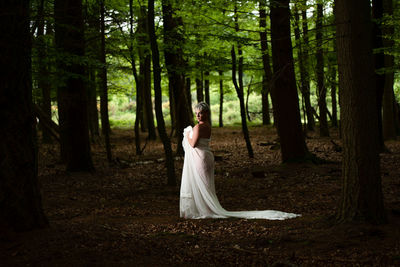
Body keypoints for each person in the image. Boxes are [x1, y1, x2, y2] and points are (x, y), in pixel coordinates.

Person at [180, 102, 300, 220]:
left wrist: (187, 135)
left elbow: (194, 144)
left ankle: (206, 209)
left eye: (200, 113)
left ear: (206, 113)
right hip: (206, 156)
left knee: (203, 184)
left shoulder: (199, 127)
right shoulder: (207, 126)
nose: (198, 116)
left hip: (200, 158)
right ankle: (207, 208)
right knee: (206, 185)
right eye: (196, 113)